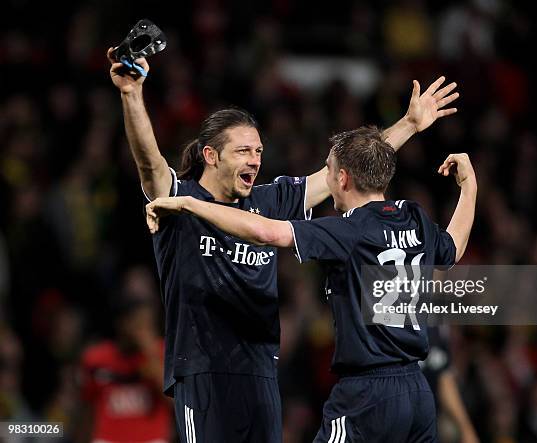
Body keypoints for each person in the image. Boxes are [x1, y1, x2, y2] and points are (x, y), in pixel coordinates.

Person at [108, 46, 460, 442]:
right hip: (203, 370)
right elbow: (149, 164)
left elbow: (347, 173)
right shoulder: (178, 200)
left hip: (260, 369)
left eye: (258, 150)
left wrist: (409, 125)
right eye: (243, 151)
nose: (256, 160)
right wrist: (131, 94)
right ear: (211, 156)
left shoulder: (269, 200)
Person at [146, 126, 477, 442]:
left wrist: (190, 204)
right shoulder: (414, 217)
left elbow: (266, 231)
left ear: (343, 178)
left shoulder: (346, 231)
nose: (326, 179)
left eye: (329, 170)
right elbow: (454, 247)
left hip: (367, 393)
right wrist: (469, 187)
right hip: (417, 393)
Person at [77, 297, 170, 443]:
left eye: (148, 325)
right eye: (139, 324)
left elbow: (174, 402)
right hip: (108, 439)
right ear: (122, 323)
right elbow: (87, 408)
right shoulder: (95, 358)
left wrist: (150, 353)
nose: (144, 331)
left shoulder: (163, 352)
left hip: (151, 439)